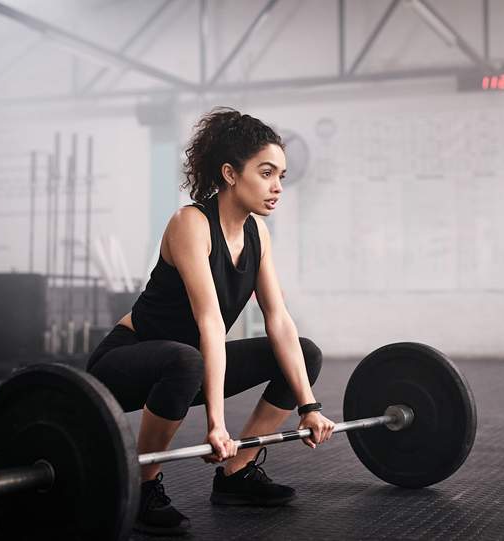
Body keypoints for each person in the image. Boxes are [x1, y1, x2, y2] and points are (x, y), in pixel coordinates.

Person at [86, 107, 335, 536]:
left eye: (282, 174)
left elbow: (278, 319)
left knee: (302, 353)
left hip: (189, 362)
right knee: (185, 360)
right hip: (124, 363)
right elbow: (210, 321)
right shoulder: (190, 223)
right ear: (230, 173)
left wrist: (309, 406)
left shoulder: (257, 233)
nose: (278, 186)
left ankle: (237, 474)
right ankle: (144, 489)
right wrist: (216, 424)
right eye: (266, 172)